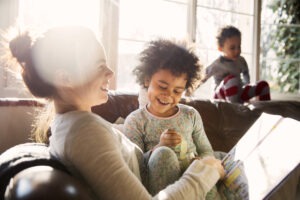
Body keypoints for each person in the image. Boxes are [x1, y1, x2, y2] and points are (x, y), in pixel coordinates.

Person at [6, 26, 225, 200]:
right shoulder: (84, 133)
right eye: (100, 65)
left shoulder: (75, 125)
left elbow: (136, 172)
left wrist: (156, 152)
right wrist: (205, 172)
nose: (110, 73)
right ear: (65, 79)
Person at [123, 39, 222, 199]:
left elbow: (206, 150)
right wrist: (159, 147)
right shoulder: (135, 121)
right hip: (162, 187)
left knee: (210, 164)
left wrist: (199, 161)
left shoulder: (190, 115)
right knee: (164, 154)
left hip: (194, 182)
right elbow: (135, 168)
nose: (168, 95)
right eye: (162, 86)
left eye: (177, 91)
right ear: (147, 79)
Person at [202, 25, 271, 104]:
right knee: (231, 79)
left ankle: (263, 110)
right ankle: (234, 111)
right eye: (232, 48)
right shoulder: (217, 64)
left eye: (239, 46)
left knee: (263, 85)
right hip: (220, 98)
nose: (237, 51)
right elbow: (201, 77)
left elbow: (246, 75)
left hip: (238, 93)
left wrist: (246, 86)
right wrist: (188, 91)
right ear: (220, 48)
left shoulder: (241, 60)